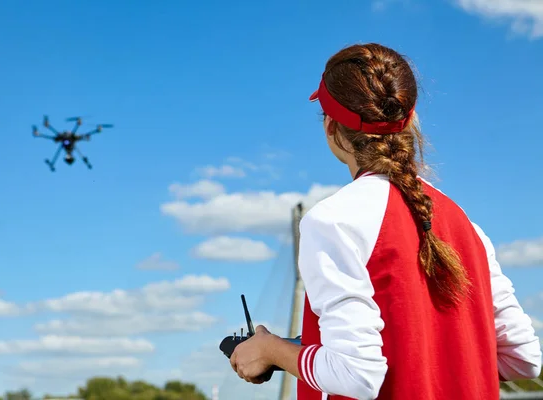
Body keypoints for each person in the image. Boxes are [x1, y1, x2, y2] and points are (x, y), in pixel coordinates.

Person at [229, 43, 542, 399]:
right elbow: (523, 359)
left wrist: (271, 351)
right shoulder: (466, 225)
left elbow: (357, 374)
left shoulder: (333, 221)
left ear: (330, 127)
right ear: (408, 121)